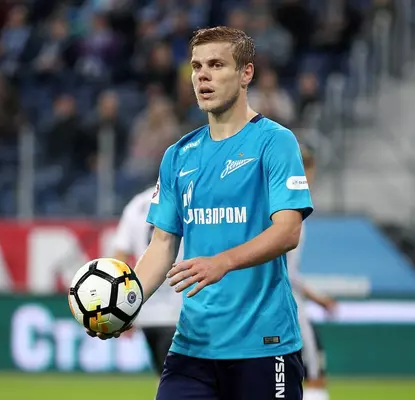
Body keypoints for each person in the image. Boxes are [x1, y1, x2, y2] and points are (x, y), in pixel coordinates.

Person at [88, 26, 313, 400]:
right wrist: (122, 308)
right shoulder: (178, 155)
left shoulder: (275, 142)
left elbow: (288, 231)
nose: (202, 76)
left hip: (264, 343)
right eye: (196, 66)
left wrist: (223, 262)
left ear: (246, 73)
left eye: (216, 65)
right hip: (192, 348)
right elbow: (161, 247)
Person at [111, 184, 184, 375]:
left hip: (147, 309)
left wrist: (122, 308)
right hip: (182, 307)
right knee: (180, 380)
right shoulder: (187, 197)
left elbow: (120, 259)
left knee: (167, 377)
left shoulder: (136, 205)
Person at [287, 146, 337, 400]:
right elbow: (285, 271)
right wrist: (316, 297)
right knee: (313, 374)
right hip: (287, 305)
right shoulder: (289, 212)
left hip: (272, 303)